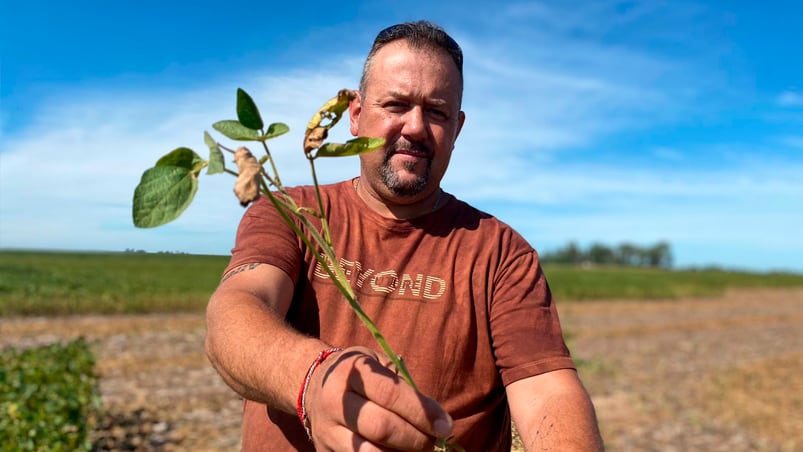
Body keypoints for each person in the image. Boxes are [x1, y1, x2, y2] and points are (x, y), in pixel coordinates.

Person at [205, 20, 604, 451]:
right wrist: (313, 377)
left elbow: (548, 392)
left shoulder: (500, 252)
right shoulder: (290, 212)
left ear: (457, 128)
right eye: (395, 105)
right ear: (355, 115)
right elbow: (235, 314)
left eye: (436, 112)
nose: (415, 126)